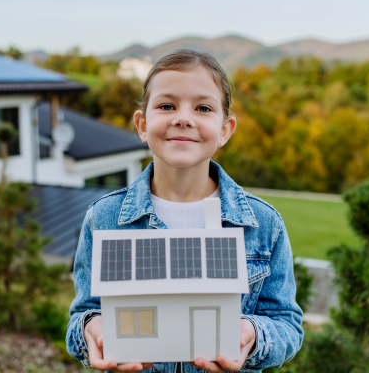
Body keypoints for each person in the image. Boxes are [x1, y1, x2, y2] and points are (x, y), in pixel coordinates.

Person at [66, 49, 304, 373]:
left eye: (203, 108)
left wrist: (253, 335)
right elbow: (83, 315)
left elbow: (287, 324)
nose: (183, 118)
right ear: (142, 124)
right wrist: (91, 330)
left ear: (225, 129)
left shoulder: (263, 224)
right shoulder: (104, 219)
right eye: (167, 106)